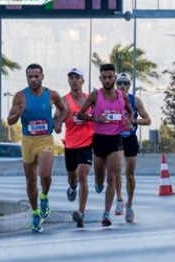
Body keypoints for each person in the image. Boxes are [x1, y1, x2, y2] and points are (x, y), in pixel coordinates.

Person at [7, 63, 68, 232]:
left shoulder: (52, 95)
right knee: (31, 181)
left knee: (45, 175)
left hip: (45, 140)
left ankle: (44, 197)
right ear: (26, 77)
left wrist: (57, 122)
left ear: (42, 77)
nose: (33, 80)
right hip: (27, 141)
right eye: (29, 77)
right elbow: (10, 120)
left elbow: (65, 111)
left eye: (36, 76)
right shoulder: (20, 96)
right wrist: (16, 114)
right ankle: (35, 214)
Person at [77, 64, 133, 227]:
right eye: (104, 77)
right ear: (100, 78)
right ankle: (98, 183)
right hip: (99, 140)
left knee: (112, 176)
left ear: (114, 78)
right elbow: (81, 114)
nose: (107, 80)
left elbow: (129, 111)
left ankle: (106, 214)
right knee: (100, 178)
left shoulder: (123, 96)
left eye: (110, 77)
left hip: (116, 140)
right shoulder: (95, 96)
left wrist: (128, 121)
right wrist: (95, 119)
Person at [55, 68, 94, 228]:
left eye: (77, 77)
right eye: (70, 78)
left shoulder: (90, 99)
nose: (73, 80)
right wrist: (56, 126)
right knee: (73, 177)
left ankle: (81, 212)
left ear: (83, 81)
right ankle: (72, 187)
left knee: (82, 175)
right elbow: (55, 121)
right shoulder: (64, 101)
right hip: (71, 144)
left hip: (88, 142)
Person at [114, 72, 151, 223]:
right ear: (116, 85)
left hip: (130, 139)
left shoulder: (135, 101)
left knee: (129, 174)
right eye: (120, 83)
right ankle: (119, 200)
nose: (122, 86)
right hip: (116, 138)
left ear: (129, 85)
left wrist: (134, 121)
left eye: (125, 83)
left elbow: (148, 120)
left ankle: (129, 204)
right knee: (116, 169)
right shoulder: (110, 100)